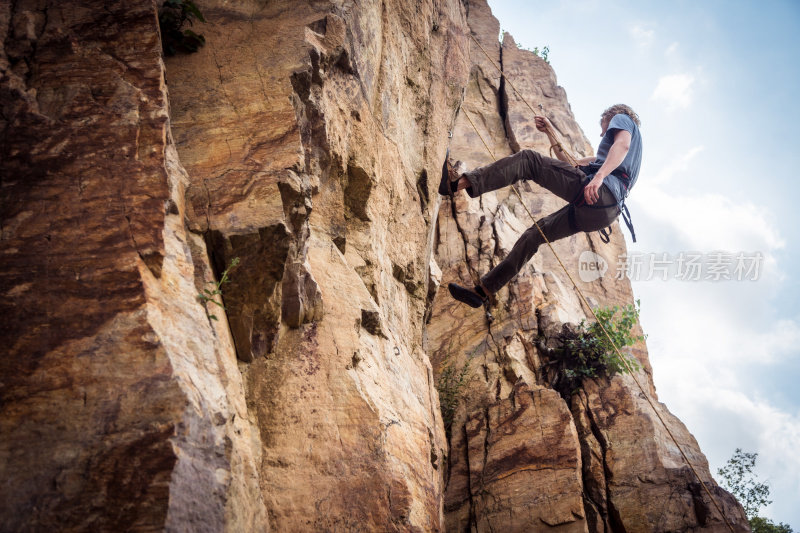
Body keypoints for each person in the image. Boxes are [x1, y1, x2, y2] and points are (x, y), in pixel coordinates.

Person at [439, 104, 642, 308]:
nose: (602, 134)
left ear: (613, 117)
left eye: (604, 128)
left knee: (529, 160)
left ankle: (455, 183)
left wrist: (598, 177)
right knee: (535, 235)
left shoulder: (623, 119)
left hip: (602, 193)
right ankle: (483, 292)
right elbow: (572, 164)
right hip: (602, 213)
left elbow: (622, 145)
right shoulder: (606, 161)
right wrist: (550, 133)